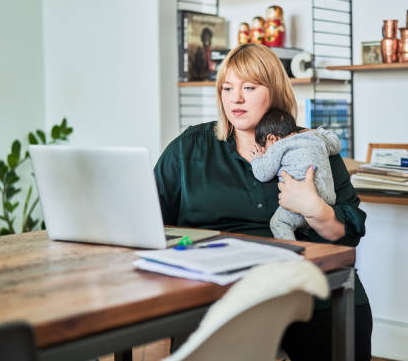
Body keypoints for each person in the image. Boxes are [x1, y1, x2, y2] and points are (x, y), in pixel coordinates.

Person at [155, 43, 372, 360]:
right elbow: (149, 219)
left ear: (275, 91)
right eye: (227, 88)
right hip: (218, 294)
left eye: (249, 87)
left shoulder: (310, 146)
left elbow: (350, 233)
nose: (235, 98)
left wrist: (315, 208)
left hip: (311, 292)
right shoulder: (190, 148)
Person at [251, 108, 342, 240]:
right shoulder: (315, 138)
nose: (265, 152)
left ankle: (291, 253)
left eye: (263, 148)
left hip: (299, 200)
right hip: (328, 202)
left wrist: (257, 159)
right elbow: (336, 145)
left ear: (271, 138)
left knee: (279, 223)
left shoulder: (278, 145)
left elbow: (263, 174)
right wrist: (318, 131)